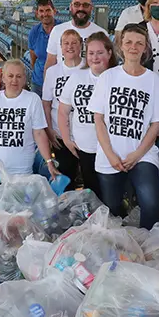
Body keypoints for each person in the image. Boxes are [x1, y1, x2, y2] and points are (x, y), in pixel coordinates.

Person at [90, 24, 159, 229]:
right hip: (110, 155)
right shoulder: (108, 77)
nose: (133, 47)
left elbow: (155, 124)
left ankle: (150, 252)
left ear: (145, 48)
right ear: (120, 46)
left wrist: (136, 155)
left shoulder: (153, 82)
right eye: (128, 42)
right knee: (112, 209)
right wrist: (110, 154)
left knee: (150, 204)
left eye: (139, 43)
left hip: (142, 154)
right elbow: (98, 119)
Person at [0, 59, 57, 194]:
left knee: (19, 213)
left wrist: (49, 161)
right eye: (10, 76)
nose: (14, 80)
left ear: (24, 79)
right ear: (3, 78)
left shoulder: (32, 99)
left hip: (21, 173)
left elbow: (39, 133)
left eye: (19, 76)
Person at [59, 32, 117, 199]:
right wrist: (67, 139)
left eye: (100, 53)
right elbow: (63, 111)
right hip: (85, 146)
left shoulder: (117, 77)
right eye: (91, 53)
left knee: (111, 196)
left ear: (109, 53)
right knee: (93, 191)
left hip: (112, 148)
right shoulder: (77, 77)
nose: (95, 57)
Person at [42, 29, 85, 183]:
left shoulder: (89, 67)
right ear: (60, 47)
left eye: (74, 42)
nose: (70, 46)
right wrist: (49, 131)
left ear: (81, 45)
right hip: (60, 134)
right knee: (66, 178)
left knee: (89, 178)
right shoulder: (53, 72)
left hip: (86, 135)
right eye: (66, 43)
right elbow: (46, 104)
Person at [45, 0, 108, 71]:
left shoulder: (101, 34)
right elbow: (50, 62)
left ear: (91, 8)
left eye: (85, 5)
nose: (81, 8)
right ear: (71, 7)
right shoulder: (57, 31)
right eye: (77, 4)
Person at [28, 0, 56, 93]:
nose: (45, 14)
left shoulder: (63, 30)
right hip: (38, 83)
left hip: (58, 82)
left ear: (54, 11)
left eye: (48, 10)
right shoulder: (34, 32)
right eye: (41, 11)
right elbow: (33, 57)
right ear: (37, 13)